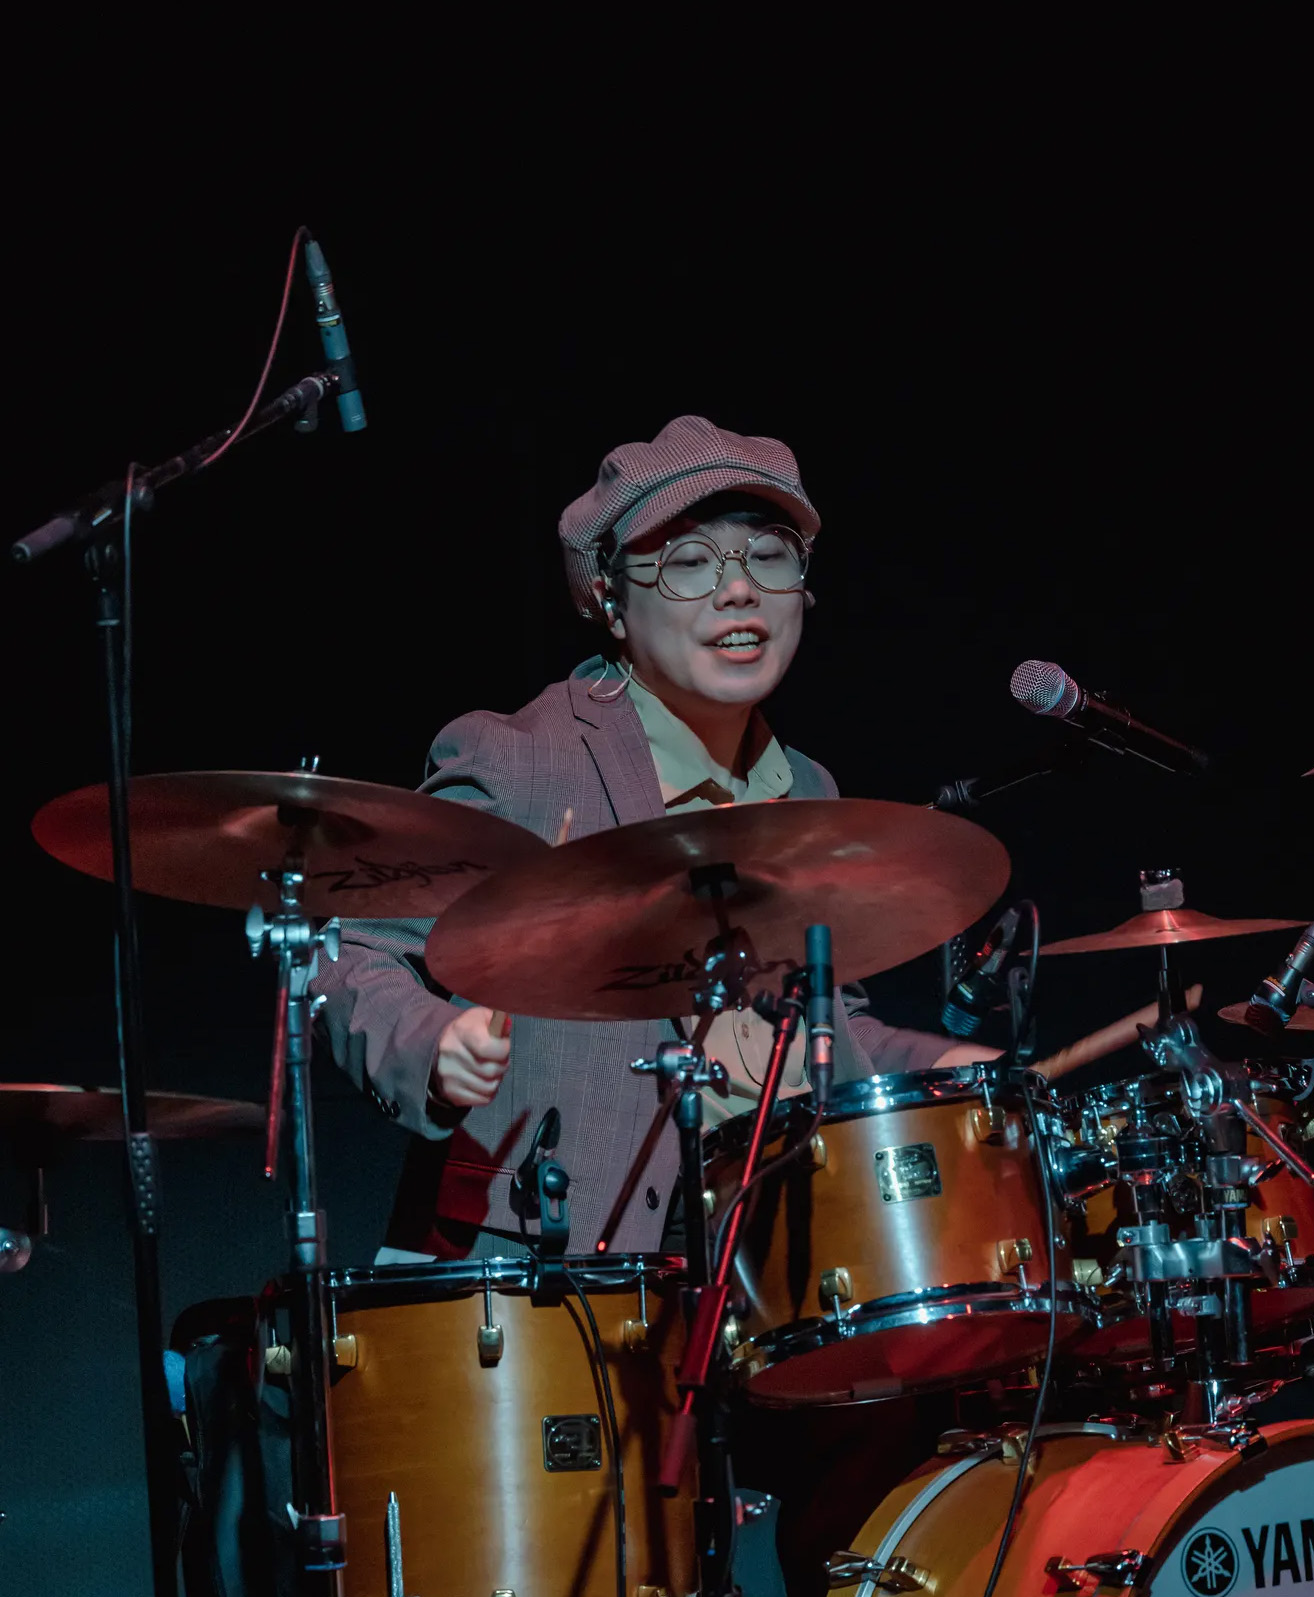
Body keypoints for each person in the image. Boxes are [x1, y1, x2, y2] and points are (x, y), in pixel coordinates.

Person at [313, 415, 1172, 1259]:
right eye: (689, 562)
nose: (739, 589)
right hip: (558, 1266)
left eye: (769, 557)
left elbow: (828, 1028)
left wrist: (952, 1070)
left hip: (774, 1250)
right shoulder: (522, 760)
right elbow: (350, 950)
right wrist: (431, 1047)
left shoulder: (807, 791)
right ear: (610, 601)